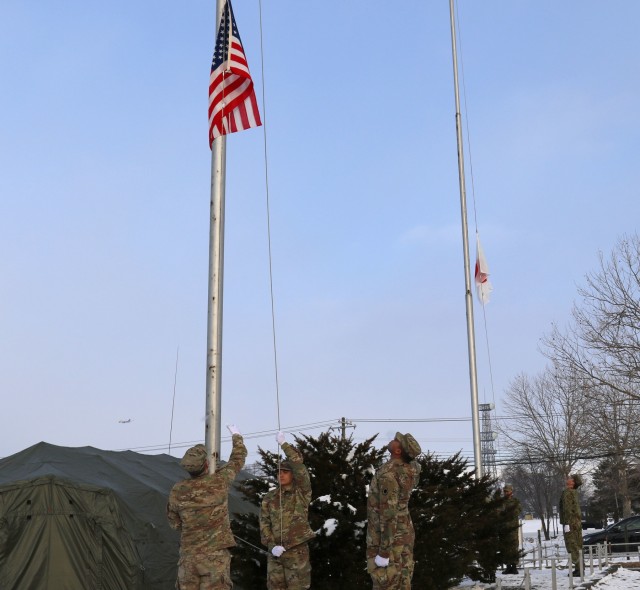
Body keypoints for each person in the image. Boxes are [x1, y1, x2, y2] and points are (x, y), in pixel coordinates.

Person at [167, 425, 247, 590]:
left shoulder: (178, 489)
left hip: (188, 557)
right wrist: (237, 437)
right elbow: (238, 459)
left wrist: (193, 527)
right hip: (214, 558)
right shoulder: (219, 481)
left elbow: (174, 523)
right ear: (206, 464)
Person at [366, 432, 422, 590]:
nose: (394, 439)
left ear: (398, 451)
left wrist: (384, 551)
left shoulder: (388, 475)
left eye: (398, 441)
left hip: (389, 541)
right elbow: (416, 465)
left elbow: (388, 514)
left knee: (387, 583)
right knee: (403, 582)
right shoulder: (410, 470)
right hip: (404, 535)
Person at [260, 431, 315, 589]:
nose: (281, 475)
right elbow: (264, 524)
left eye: (285, 472)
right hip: (276, 554)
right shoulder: (270, 497)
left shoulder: (301, 492)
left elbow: (299, 467)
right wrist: (272, 546)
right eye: (278, 472)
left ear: (293, 475)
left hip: (296, 552)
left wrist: (284, 445)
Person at [559, 473, 583, 576]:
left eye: (570, 479)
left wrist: (567, 523)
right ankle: (580, 568)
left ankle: (578, 569)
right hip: (576, 522)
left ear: (573, 483)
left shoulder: (567, 492)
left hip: (570, 523)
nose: (568, 479)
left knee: (572, 545)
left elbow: (567, 509)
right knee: (578, 545)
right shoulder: (574, 492)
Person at [500, 484, 521, 575]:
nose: (506, 493)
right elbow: (498, 512)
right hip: (503, 527)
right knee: (505, 547)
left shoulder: (515, 501)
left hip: (513, 527)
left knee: (514, 547)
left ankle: (514, 567)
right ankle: (508, 567)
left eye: (507, 491)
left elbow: (518, 511)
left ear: (511, 492)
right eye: (504, 491)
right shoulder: (501, 501)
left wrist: (508, 511)